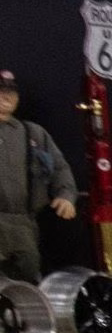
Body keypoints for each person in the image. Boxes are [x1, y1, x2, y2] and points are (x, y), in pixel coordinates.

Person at [0, 70, 78, 283]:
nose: (6, 97)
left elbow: (59, 168)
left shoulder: (33, 133)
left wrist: (66, 195)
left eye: (11, 92)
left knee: (28, 281)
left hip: (23, 223)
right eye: (0, 91)